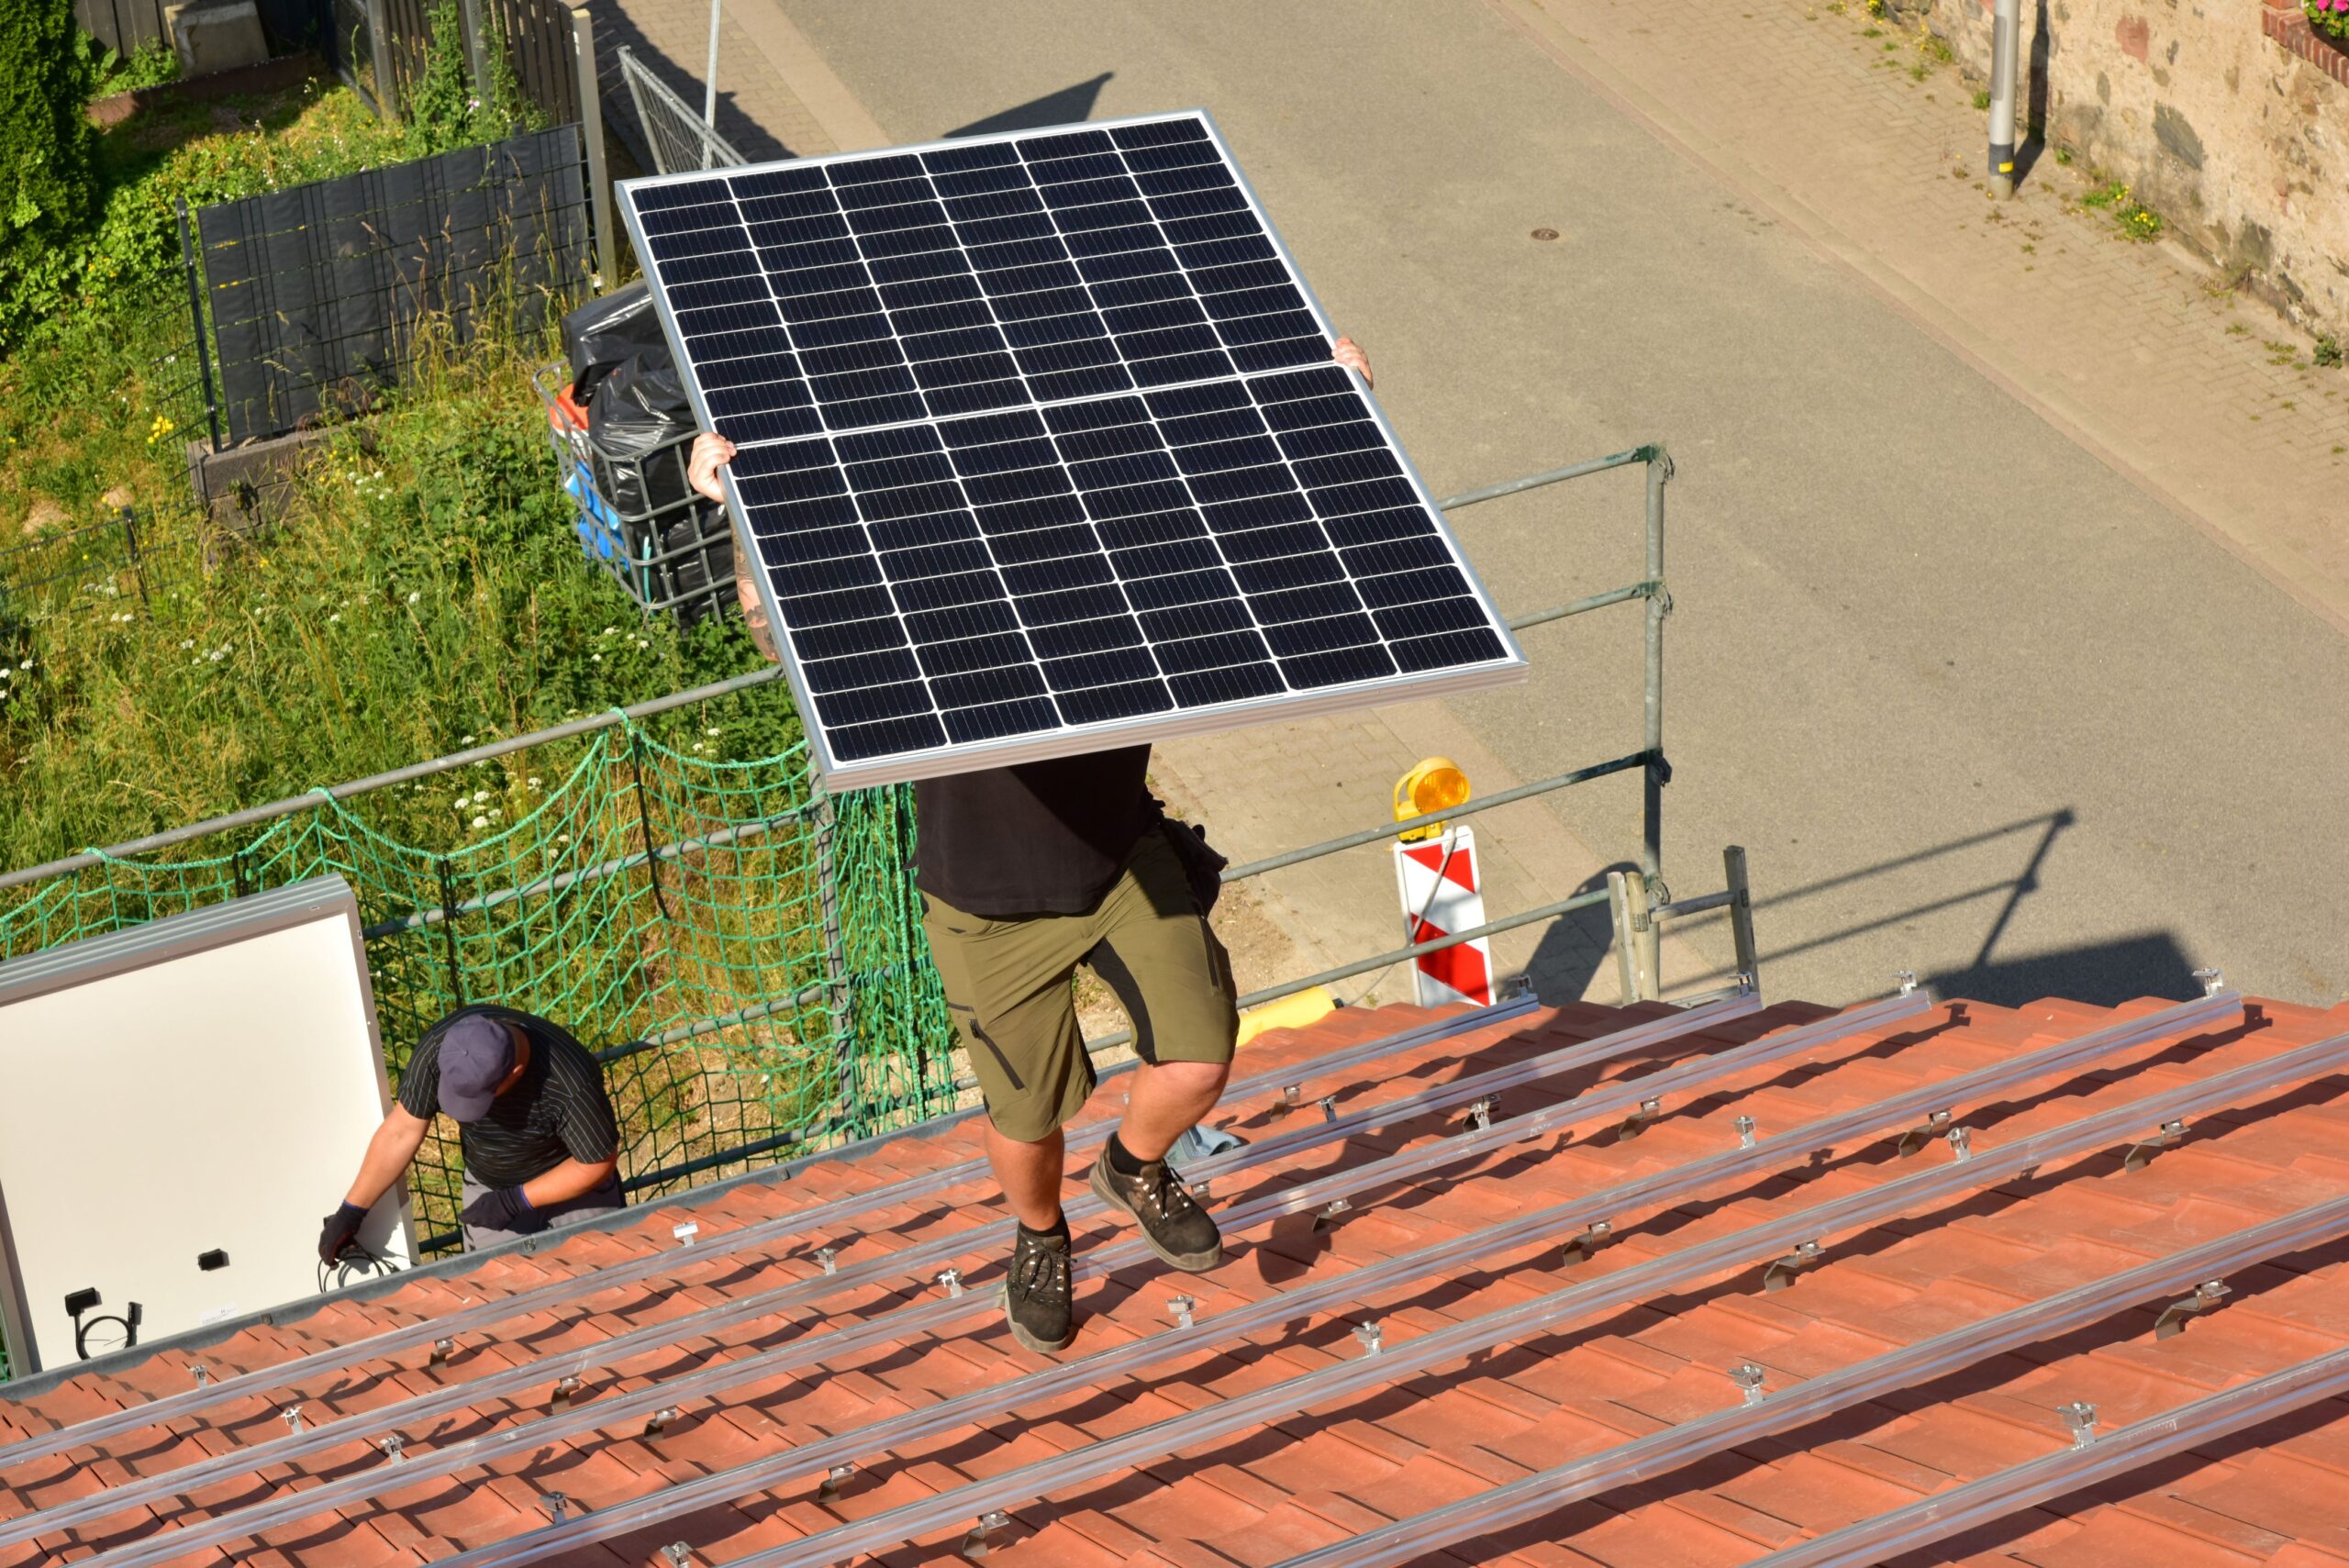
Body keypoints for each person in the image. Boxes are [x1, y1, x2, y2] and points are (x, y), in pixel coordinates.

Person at [687, 339, 1375, 1354]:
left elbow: (1245, 521)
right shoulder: (907, 611)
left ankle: (1136, 1167)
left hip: (1114, 859)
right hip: (986, 899)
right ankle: (1042, 1234)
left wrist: (1322, 403)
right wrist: (740, 513)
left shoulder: (1120, 553)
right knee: (1027, 1122)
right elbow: (782, 620)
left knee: (1198, 1056)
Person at [320, 1006, 625, 1259]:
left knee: (599, 1279)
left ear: (515, 1073)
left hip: (574, 1190)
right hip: (489, 1188)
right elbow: (401, 1130)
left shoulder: (569, 1079)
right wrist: (351, 1211)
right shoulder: (444, 1047)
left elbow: (597, 1162)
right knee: (501, 1298)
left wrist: (516, 1201)